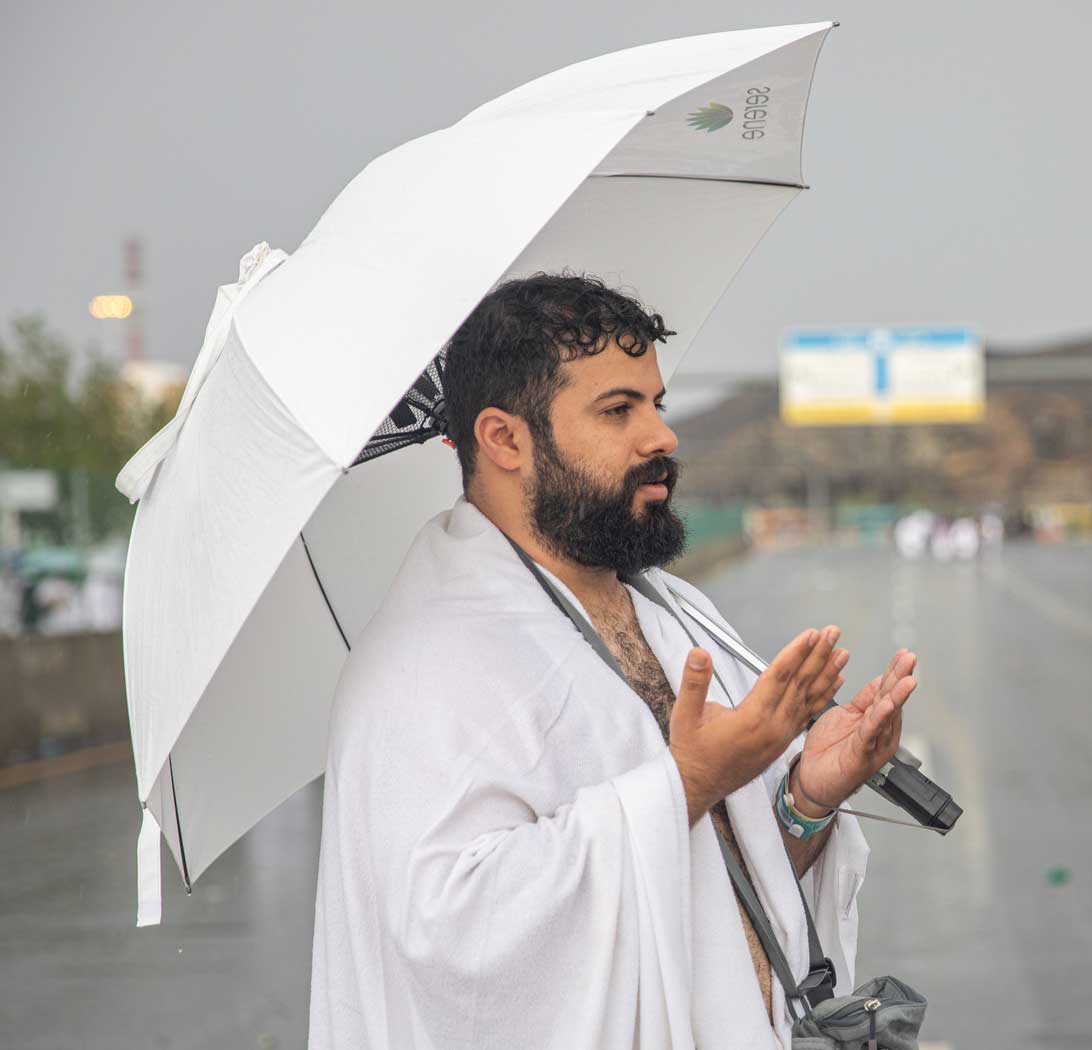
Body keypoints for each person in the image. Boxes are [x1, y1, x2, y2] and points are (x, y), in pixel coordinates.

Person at [310, 275, 919, 1049]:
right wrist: (689, 782)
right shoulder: (421, 669)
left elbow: (724, 887)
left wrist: (806, 798)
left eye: (656, 404)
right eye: (618, 410)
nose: (661, 436)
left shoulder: (672, 610)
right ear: (504, 440)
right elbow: (450, 943)